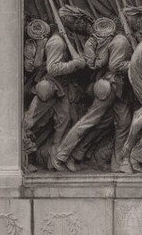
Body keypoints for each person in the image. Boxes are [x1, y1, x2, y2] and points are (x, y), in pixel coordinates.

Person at [53, 15, 133, 173]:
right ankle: (61, 155)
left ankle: (116, 164)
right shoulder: (120, 41)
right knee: (89, 121)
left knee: (123, 123)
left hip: (120, 89)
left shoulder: (117, 40)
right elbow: (115, 65)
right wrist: (137, 62)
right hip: (110, 85)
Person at [23, 6, 91, 172]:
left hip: (62, 89)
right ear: (68, 20)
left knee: (64, 123)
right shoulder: (57, 42)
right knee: (30, 122)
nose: (80, 23)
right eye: (77, 20)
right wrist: (76, 64)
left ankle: (54, 160)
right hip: (49, 88)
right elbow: (53, 68)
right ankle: (20, 159)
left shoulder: (70, 39)